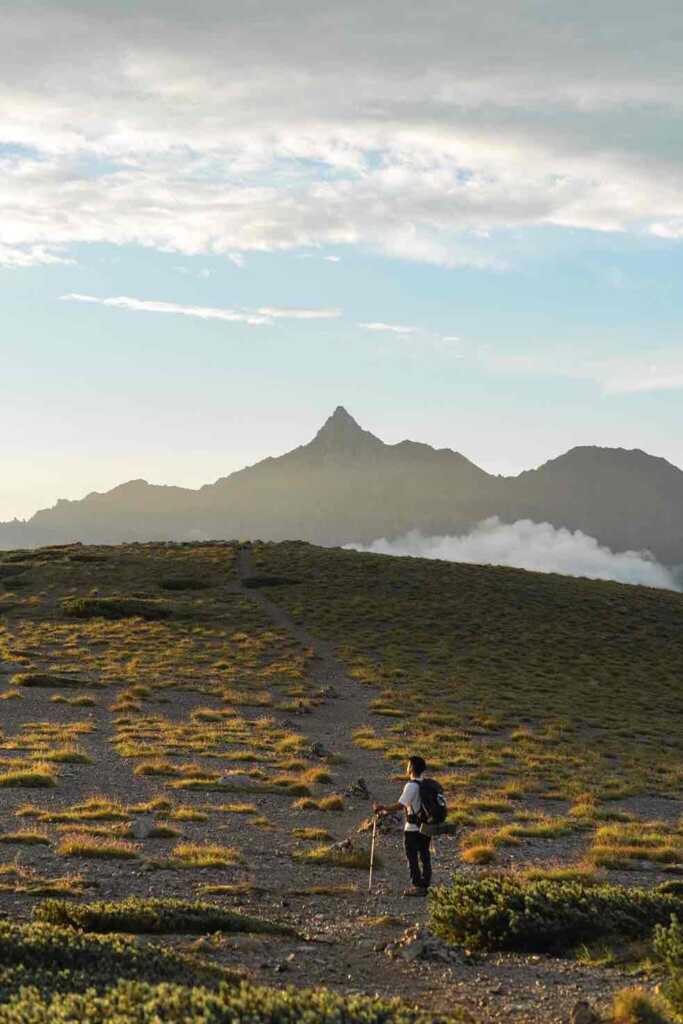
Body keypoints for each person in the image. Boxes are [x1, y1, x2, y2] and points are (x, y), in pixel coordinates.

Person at [373, 754, 432, 897]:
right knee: (424, 855)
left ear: (411, 768)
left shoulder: (411, 786)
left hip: (412, 828)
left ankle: (417, 885)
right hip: (426, 827)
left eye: (408, 765)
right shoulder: (427, 784)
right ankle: (425, 884)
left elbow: (401, 805)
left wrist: (383, 808)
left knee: (412, 857)